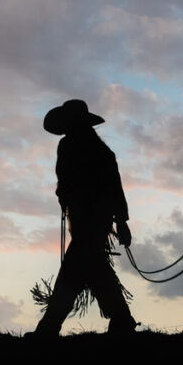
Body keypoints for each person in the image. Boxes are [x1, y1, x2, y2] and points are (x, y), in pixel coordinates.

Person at [30, 99, 137, 336]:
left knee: (75, 269)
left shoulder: (68, 146)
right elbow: (115, 189)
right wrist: (121, 221)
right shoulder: (103, 152)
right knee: (94, 268)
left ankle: (49, 328)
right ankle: (122, 321)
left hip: (83, 218)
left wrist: (64, 200)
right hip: (97, 219)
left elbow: (64, 183)